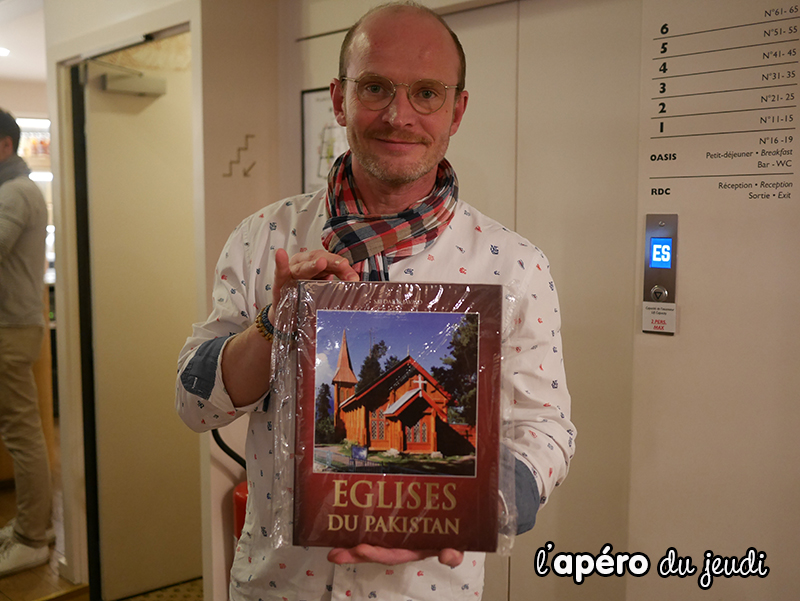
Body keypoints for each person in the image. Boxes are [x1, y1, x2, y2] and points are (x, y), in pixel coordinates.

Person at [176, 3, 575, 599]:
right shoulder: (265, 239)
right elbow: (194, 406)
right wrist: (273, 323)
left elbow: (545, 429)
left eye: (426, 93)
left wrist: (471, 508)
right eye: (375, 87)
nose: (398, 115)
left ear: (457, 110)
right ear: (339, 99)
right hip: (277, 587)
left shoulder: (514, 266)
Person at [0, 108, 54, 575]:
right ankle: (32, 525)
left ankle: (32, 537)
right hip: (16, 325)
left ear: (4, 145)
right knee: (23, 431)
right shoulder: (17, 189)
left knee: (22, 434)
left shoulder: (15, 192)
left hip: (10, 329)